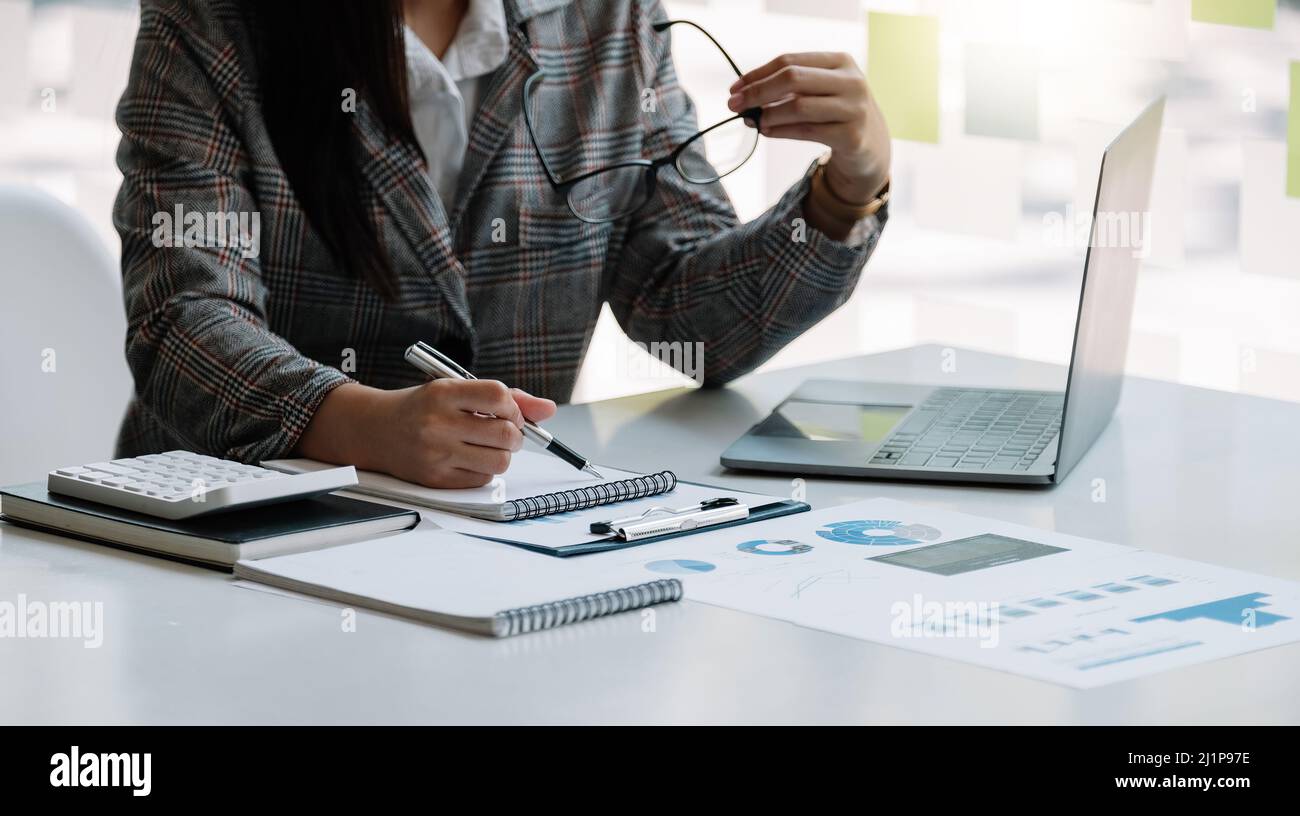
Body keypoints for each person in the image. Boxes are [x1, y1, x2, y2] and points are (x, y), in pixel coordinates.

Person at [113, 0, 891, 487]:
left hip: (503, 541)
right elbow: (184, 322)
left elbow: (694, 320)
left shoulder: (606, 18)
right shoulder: (210, 20)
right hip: (235, 533)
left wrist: (847, 188)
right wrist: (361, 424)